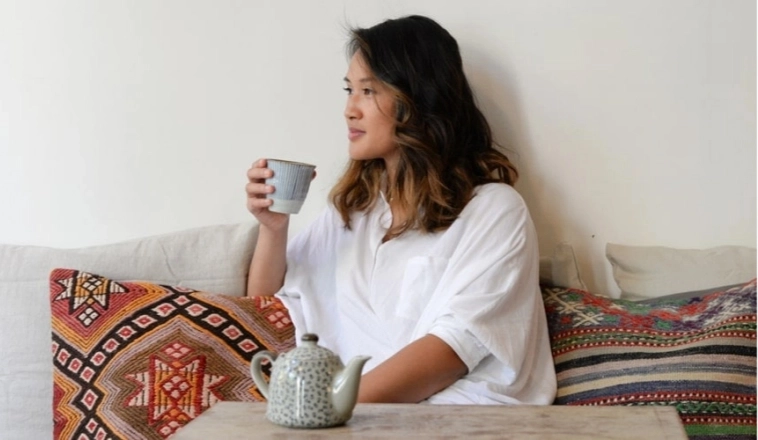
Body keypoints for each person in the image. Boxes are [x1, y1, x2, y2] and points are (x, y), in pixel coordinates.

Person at [245, 15, 556, 405]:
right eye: (349, 90)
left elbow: (452, 351)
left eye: (368, 91)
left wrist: (328, 408)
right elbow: (262, 308)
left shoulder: (493, 210)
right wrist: (273, 228)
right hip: (359, 419)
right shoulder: (352, 211)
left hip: (465, 417)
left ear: (417, 99)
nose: (349, 109)